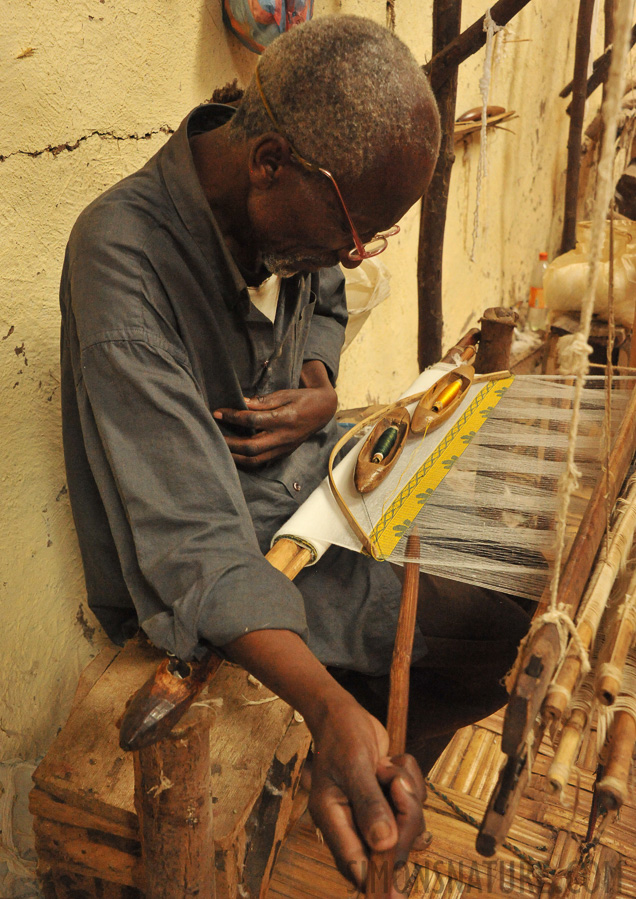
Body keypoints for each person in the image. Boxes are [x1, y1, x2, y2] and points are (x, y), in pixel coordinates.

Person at [60, 15, 529, 892]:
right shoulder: (120, 259)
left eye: (371, 237)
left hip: (305, 487)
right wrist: (325, 701)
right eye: (351, 230)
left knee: (508, 595)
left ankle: (373, 751)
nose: (353, 254)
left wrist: (317, 377)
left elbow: (324, 289)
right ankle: (355, 745)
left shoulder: (274, 186)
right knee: (485, 634)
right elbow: (192, 542)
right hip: (214, 547)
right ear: (270, 161)